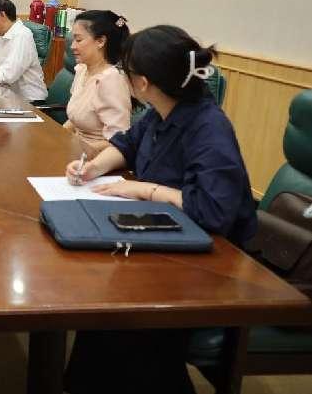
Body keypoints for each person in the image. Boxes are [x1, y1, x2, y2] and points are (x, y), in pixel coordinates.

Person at [62, 25, 257, 394]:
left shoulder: (208, 127)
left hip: (212, 258)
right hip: (165, 236)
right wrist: (94, 167)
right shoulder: (162, 111)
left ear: (143, 83)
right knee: (100, 299)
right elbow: (127, 143)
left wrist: (146, 189)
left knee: (125, 316)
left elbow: (212, 210)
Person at [62, 10, 132, 157]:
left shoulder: (111, 80)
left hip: (97, 158)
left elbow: (118, 141)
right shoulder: (83, 69)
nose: (72, 46)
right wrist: (58, 138)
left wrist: (80, 151)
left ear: (100, 41)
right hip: (74, 150)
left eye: (78, 40)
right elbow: (74, 119)